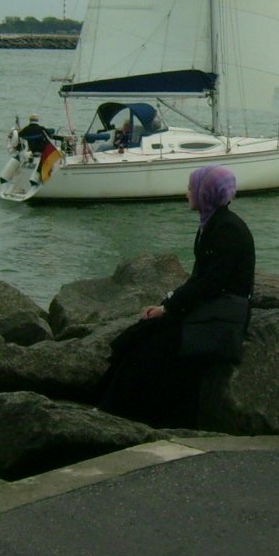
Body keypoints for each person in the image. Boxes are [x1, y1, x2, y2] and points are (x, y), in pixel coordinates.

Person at [96, 165, 254, 428]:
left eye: (192, 188)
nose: (187, 193)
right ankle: (107, 406)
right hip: (211, 308)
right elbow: (201, 281)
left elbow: (210, 284)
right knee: (138, 336)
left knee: (150, 351)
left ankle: (118, 415)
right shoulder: (213, 223)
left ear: (206, 193)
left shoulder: (227, 229)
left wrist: (168, 309)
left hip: (220, 318)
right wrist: (166, 305)